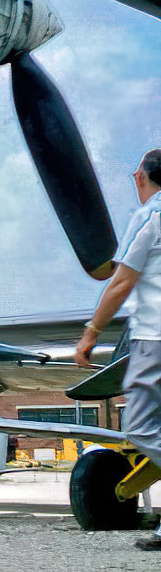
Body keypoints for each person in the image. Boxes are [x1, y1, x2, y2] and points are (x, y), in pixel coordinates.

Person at [76, 149, 161, 550]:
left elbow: (120, 280)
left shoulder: (149, 218)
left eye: (137, 171)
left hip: (156, 337)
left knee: (141, 426)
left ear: (143, 178)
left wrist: (92, 331)